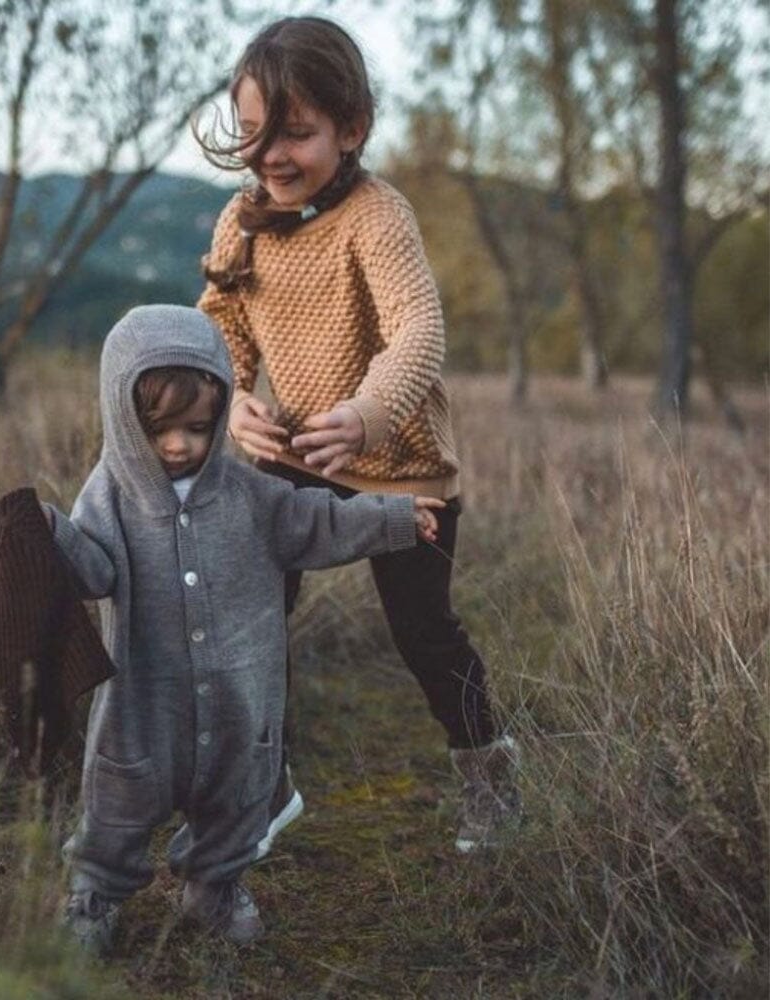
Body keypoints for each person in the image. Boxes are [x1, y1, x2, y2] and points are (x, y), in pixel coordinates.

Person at [195, 15, 523, 858]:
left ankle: (490, 777)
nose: (272, 153)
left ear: (352, 129)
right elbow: (218, 324)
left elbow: (418, 327)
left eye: (296, 133)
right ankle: (262, 785)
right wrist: (230, 402)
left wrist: (368, 413)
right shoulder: (239, 223)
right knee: (251, 613)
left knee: (423, 631)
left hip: (399, 464)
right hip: (295, 459)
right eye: (255, 132)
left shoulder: (377, 216)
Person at [45, 304, 444, 955]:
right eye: (158, 429)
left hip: (240, 692)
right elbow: (91, 569)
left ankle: (215, 884)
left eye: (198, 427)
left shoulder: (247, 493)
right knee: (118, 800)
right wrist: (49, 538)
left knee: (235, 797)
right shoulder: (108, 495)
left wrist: (393, 518)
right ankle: (95, 894)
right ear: (122, 419)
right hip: (144, 698)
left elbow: (318, 521)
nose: (179, 445)